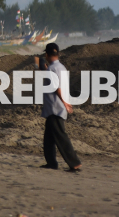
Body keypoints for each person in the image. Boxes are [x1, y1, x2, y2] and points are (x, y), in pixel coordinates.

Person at [35, 42, 81, 172]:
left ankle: (74, 163)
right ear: (58, 54)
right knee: (48, 138)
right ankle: (51, 163)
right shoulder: (61, 67)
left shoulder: (52, 69)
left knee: (61, 136)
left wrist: (64, 102)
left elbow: (56, 87)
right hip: (55, 107)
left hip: (55, 107)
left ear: (47, 54)